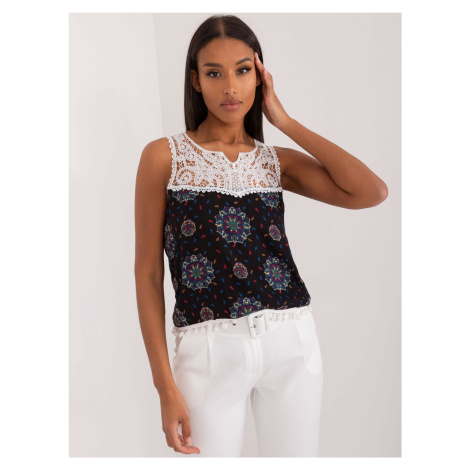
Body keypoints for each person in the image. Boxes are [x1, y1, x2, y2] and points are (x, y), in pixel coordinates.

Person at [134, 14, 388, 458]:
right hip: (208, 351)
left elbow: (371, 192)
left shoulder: (275, 161)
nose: (230, 86)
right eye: (214, 73)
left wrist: (284, 120)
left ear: (260, 76)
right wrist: (164, 386)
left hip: (290, 342)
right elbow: (148, 273)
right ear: (195, 80)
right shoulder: (164, 157)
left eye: (242, 70)